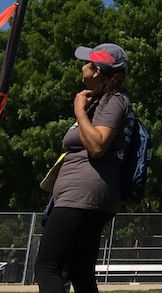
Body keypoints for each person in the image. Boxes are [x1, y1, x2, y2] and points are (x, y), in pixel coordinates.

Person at [35, 43, 132, 293]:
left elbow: (98, 144)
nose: (82, 66)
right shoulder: (101, 101)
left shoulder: (114, 100)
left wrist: (79, 111)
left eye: (87, 62)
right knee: (79, 269)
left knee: (48, 267)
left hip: (82, 195)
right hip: (83, 195)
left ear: (97, 70)